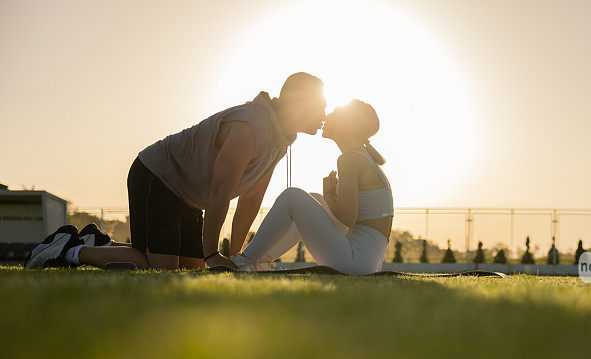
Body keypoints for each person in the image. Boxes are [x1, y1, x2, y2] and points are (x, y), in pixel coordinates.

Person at [25, 73, 326, 270]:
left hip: (188, 195)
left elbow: (250, 199)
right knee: (162, 268)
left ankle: (99, 242)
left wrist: (236, 258)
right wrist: (212, 254)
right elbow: (220, 191)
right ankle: (69, 248)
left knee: (191, 270)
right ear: (298, 104)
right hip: (158, 177)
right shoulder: (252, 126)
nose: (325, 114)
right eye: (320, 105)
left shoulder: (279, 141)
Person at [233, 100, 393, 275]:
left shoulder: (350, 159)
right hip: (365, 262)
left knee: (292, 196)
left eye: (334, 113)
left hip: (354, 262)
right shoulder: (360, 156)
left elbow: (348, 218)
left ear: (347, 125)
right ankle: (261, 260)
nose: (326, 116)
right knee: (314, 199)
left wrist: (329, 197)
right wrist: (327, 197)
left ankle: (244, 260)